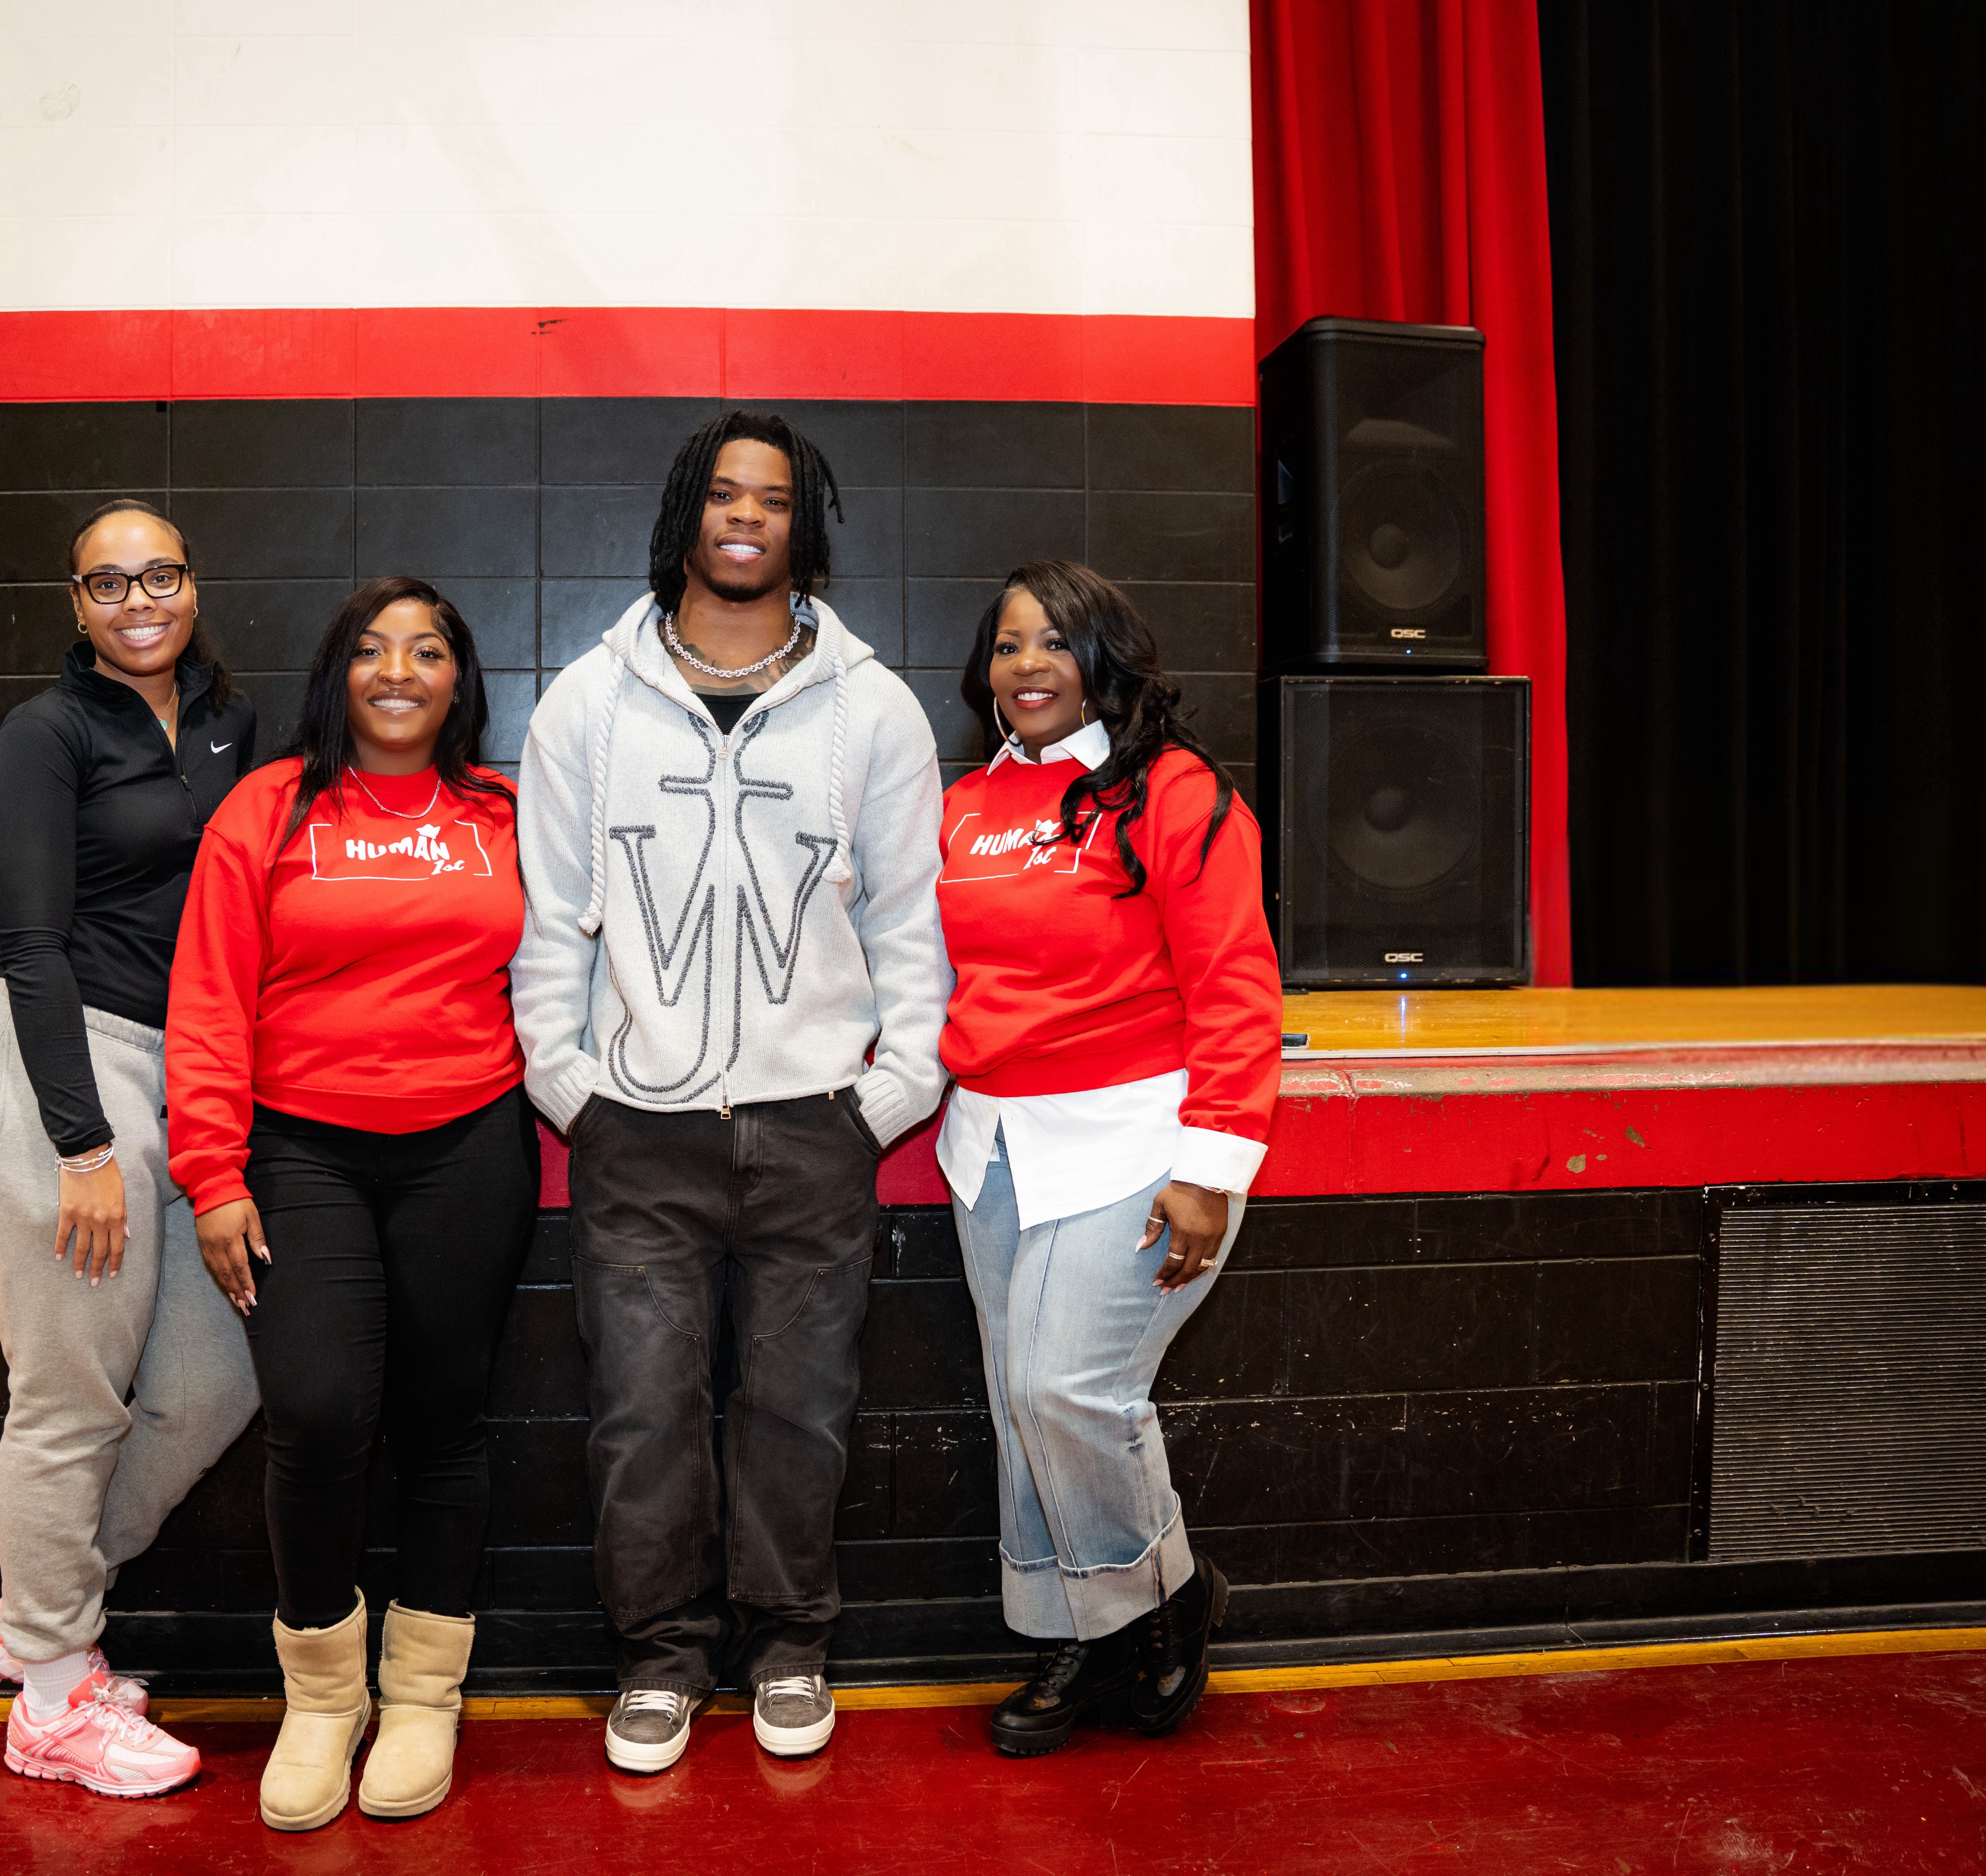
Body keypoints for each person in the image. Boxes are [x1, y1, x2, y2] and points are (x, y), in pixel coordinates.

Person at [513, 410, 950, 1774]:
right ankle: (657, 1657)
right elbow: (549, 917)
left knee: (797, 1412)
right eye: (722, 493)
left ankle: (788, 1644)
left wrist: (886, 1095)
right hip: (635, 1134)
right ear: (684, 515)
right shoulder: (588, 702)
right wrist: (571, 1087)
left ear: (800, 524)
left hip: (814, 1127)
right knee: (642, 1414)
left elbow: (909, 923)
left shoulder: (872, 709)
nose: (745, 516)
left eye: (771, 497)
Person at [165, 578, 535, 1832]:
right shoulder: (268, 809)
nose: (398, 671)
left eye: (427, 650)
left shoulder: (500, 815)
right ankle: (322, 1699)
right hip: (299, 1150)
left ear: (456, 680)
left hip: (468, 1144)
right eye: (372, 650)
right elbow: (209, 998)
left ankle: (424, 1695)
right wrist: (212, 1171)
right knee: (317, 1414)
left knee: (443, 1423)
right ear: (338, 674)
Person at [934, 561, 1282, 1758]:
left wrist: (1210, 1169)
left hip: (1137, 1142)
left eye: (1054, 641)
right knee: (1016, 1406)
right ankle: (1071, 1632)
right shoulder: (966, 805)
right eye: (1007, 644)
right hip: (992, 1146)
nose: (1027, 664)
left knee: (1066, 1391)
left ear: (1104, 659)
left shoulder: (1176, 793)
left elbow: (1236, 984)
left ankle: (1165, 1596)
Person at [0, 497, 261, 1797]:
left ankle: (35, 1616)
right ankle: (52, 1697)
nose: (140, 601)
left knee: (215, 1378)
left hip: (187, 1073)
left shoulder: (229, 724)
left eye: (161, 575)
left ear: (193, 584)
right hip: (61, 1065)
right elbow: (25, 941)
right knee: (70, 1396)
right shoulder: (47, 732)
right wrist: (79, 1143)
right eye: (110, 583)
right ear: (76, 605)